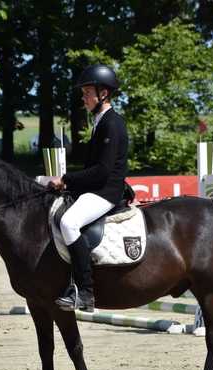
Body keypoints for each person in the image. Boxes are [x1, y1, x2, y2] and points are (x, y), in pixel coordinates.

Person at [50, 64, 129, 312]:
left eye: (87, 93)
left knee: (69, 223)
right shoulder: (100, 121)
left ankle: (84, 291)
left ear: (103, 94)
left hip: (106, 192)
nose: (83, 98)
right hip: (96, 188)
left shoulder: (112, 124)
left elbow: (103, 170)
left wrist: (66, 179)